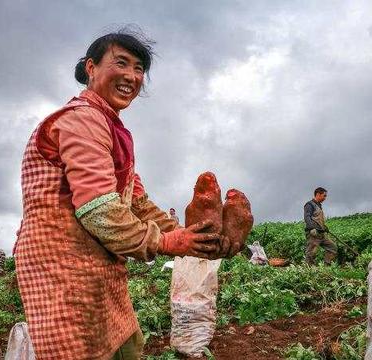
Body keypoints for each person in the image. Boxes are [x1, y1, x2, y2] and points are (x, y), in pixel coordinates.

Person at [14, 29, 221, 360]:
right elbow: (100, 211)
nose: (131, 76)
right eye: (121, 63)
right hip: (62, 269)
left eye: (139, 68)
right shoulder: (83, 119)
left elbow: (137, 203)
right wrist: (168, 243)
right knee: (80, 352)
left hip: (99, 265)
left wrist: (189, 238)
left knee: (123, 346)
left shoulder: (111, 129)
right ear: (91, 68)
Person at [303, 187, 337, 265]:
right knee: (311, 253)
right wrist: (311, 228)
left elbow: (317, 219)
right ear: (318, 194)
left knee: (332, 248)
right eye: (324, 196)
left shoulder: (319, 205)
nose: (325, 198)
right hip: (313, 233)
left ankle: (326, 266)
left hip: (321, 233)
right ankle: (309, 271)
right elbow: (307, 217)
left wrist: (324, 227)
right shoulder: (309, 205)